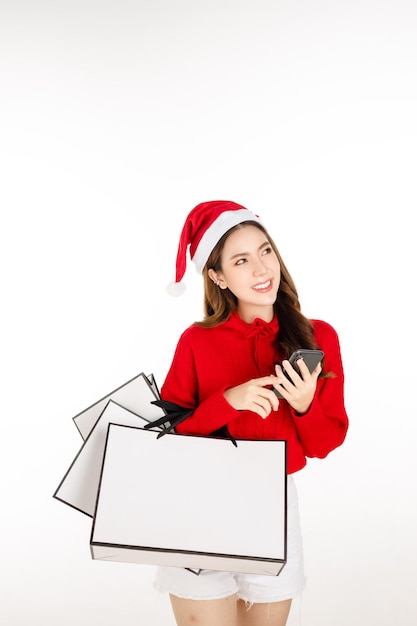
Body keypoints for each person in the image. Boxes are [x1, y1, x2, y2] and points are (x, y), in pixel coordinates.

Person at [154, 200, 349, 626]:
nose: (262, 270)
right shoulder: (196, 342)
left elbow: (324, 444)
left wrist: (303, 406)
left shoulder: (318, 337)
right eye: (241, 260)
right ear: (218, 276)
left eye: (265, 251)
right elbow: (164, 435)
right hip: (198, 505)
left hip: (273, 506)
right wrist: (228, 401)